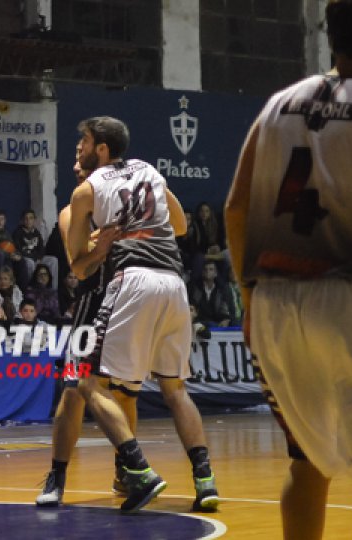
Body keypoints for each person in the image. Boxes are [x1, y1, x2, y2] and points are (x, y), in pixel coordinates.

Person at [225, 2, 352, 537]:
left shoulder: (280, 103)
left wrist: (249, 298)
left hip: (277, 306)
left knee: (307, 462)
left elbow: (235, 208)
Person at [65, 116, 218, 513]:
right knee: (175, 389)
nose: (79, 148)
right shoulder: (150, 170)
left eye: (83, 141)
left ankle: (139, 469)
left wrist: (102, 246)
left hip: (133, 282)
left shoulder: (86, 190)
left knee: (87, 383)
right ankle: (205, 480)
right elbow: (181, 226)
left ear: (101, 148)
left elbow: (79, 268)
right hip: (174, 282)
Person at [37, 161, 136, 507]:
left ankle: (126, 471)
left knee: (125, 391)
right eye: (75, 161)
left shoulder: (128, 203)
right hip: (93, 301)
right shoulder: (72, 211)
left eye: (83, 159)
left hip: (128, 299)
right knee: (73, 390)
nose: (76, 165)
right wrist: (100, 244)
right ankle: (57, 476)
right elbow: (79, 266)